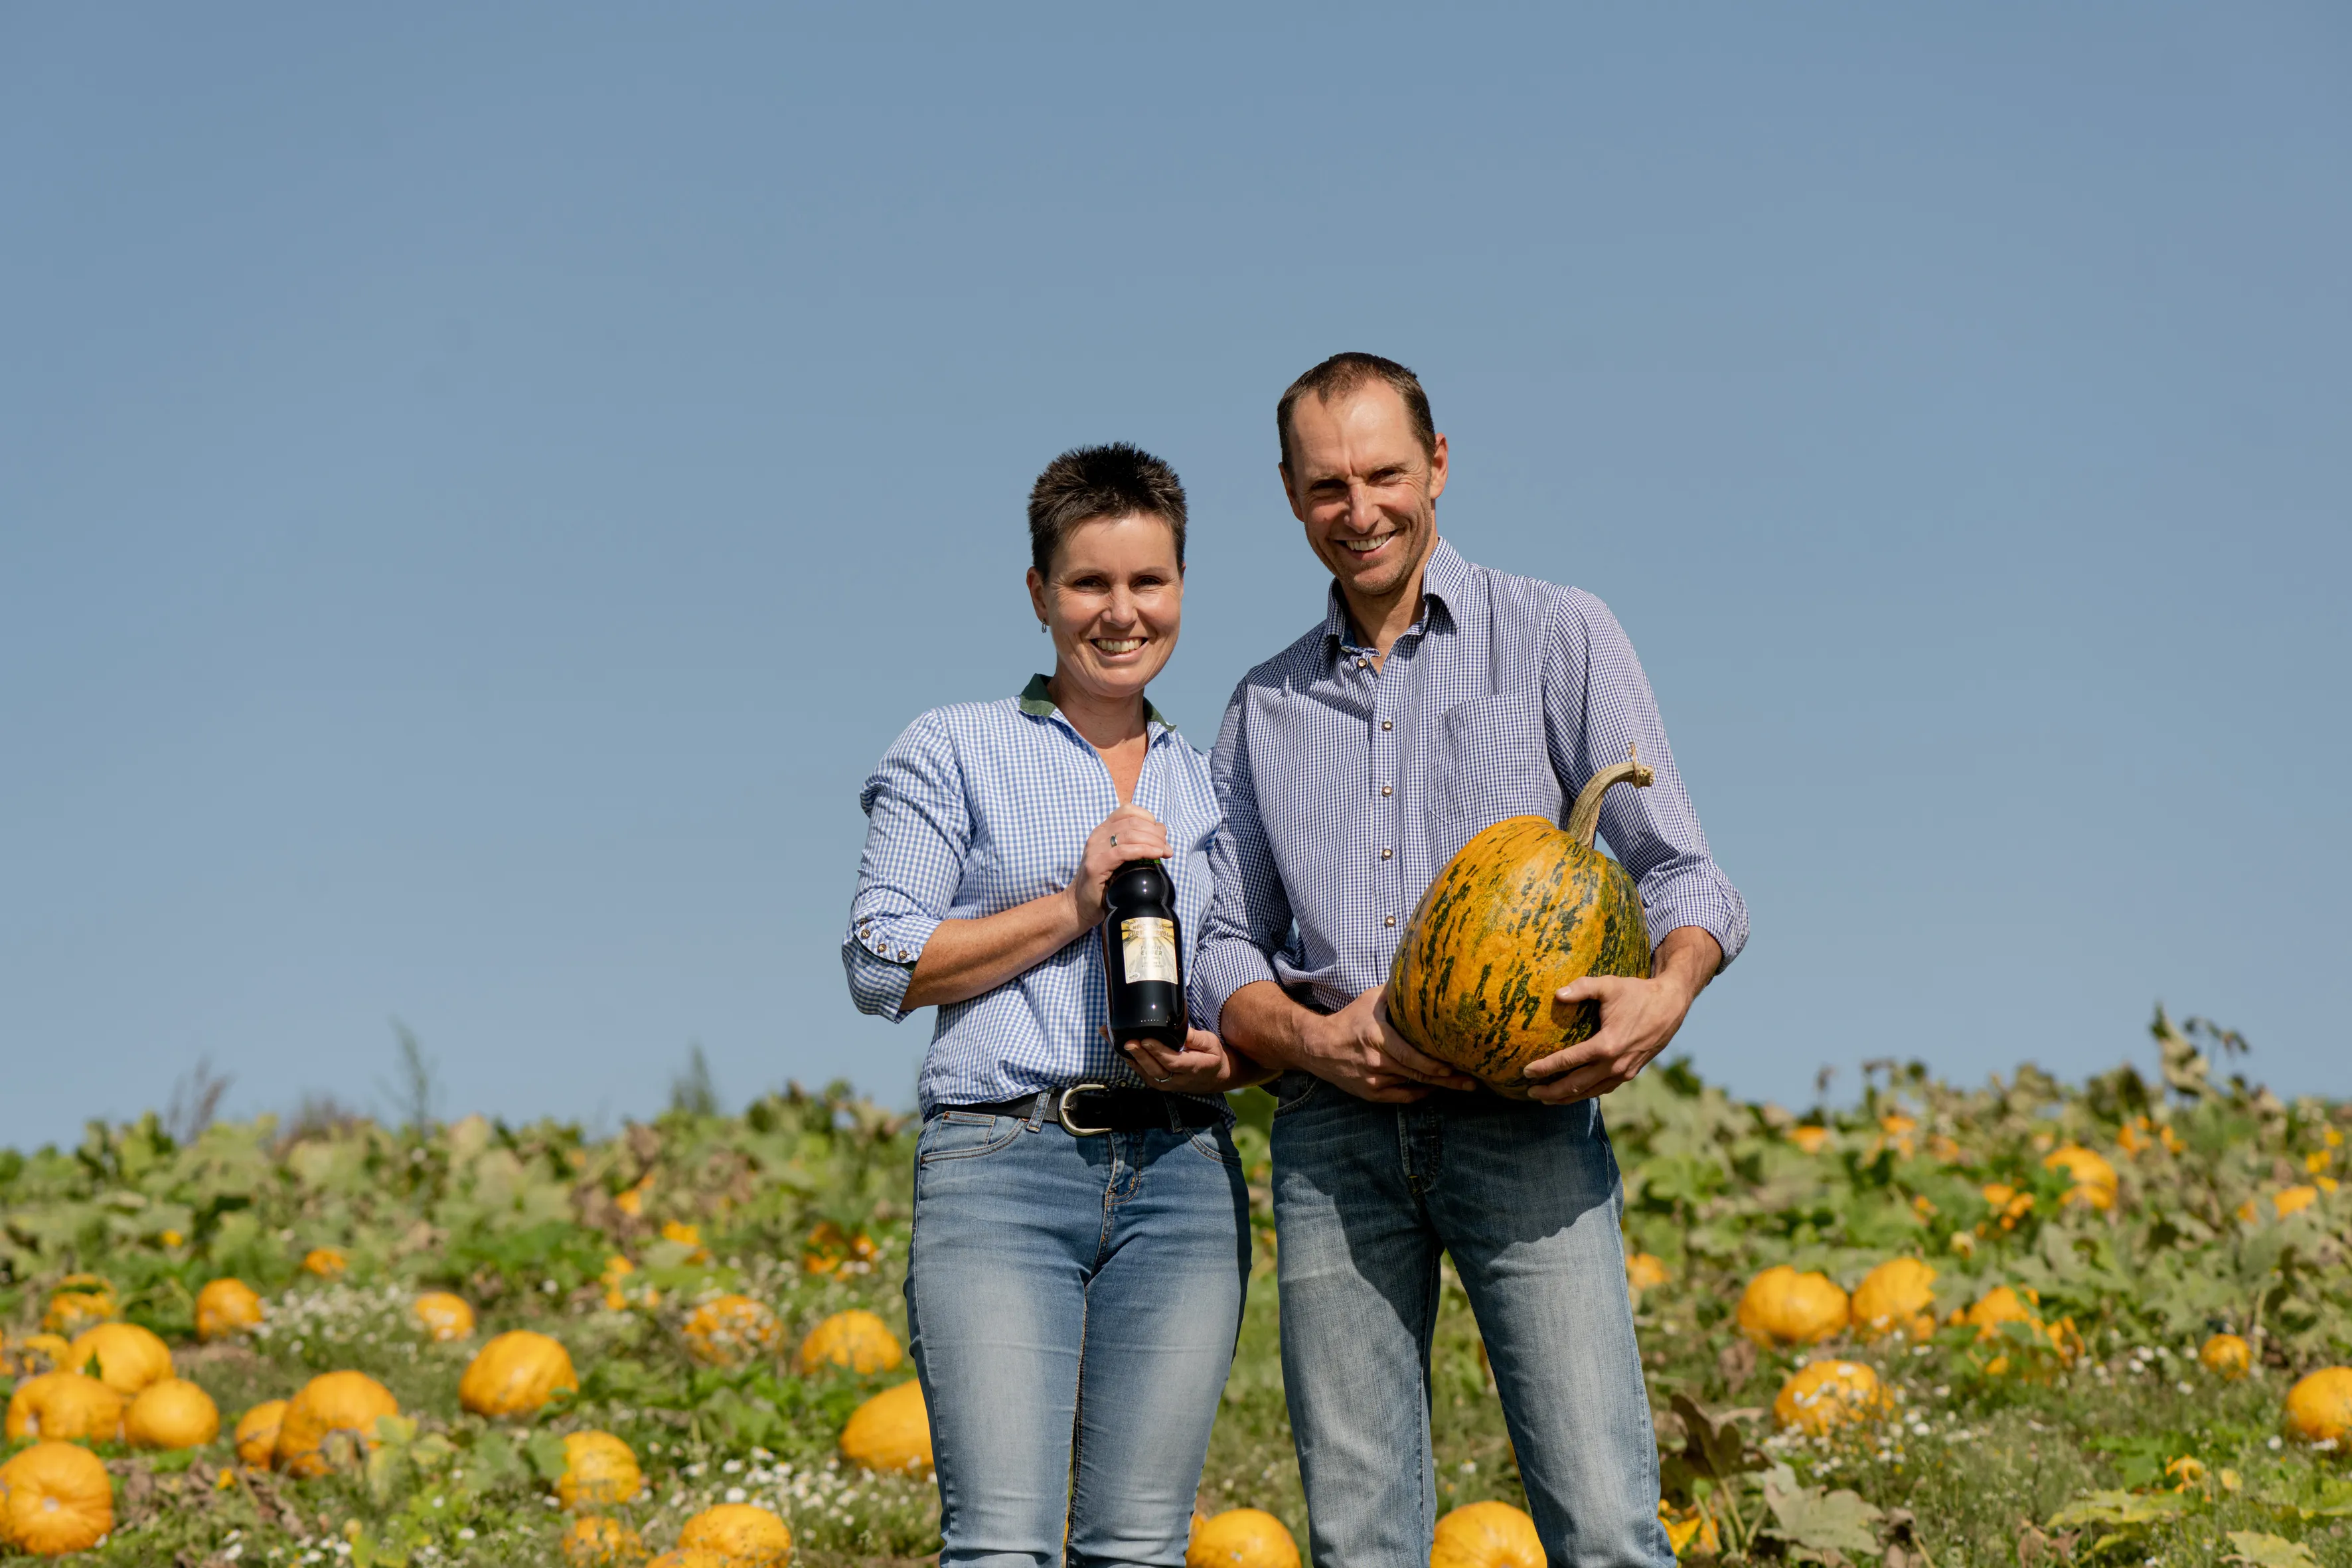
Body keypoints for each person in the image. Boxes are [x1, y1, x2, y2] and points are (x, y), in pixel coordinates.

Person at [1192, 355, 1749, 1568]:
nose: (1361, 508)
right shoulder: (1262, 706)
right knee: (1359, 1532)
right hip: (1335, 1133)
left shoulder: (1557, 633)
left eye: (1384, 473)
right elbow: (1219, 942)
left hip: (1525, 1119)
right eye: (1327, 484)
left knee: (1603, 1519)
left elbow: (1683, 873)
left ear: (1437, 466)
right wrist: (1308, 1038)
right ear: (1290, 496)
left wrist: (1665, 989)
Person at [844, 442, 1262, 1568]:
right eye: (1089, 584)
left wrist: (1228, 1061)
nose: (1120, 613)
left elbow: (1250, 974)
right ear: (1038, 594)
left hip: (1182, 1182)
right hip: (1003, 1167)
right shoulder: (955, 747)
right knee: (1001, 1546)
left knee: (1138, 1548)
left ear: (1180, 588)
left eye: (1148, 583)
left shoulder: (1218, 780)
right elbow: (882, 961)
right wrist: (1073, 903)